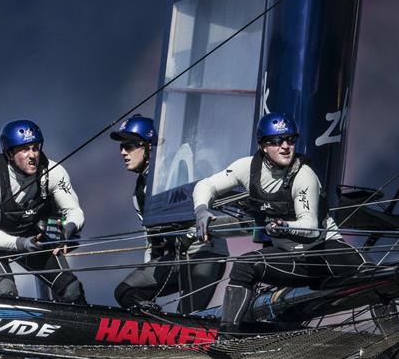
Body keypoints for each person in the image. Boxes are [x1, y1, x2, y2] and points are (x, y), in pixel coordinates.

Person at [193, 112, 366, 335]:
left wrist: (286, 226)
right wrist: (201, 211)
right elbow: (205, 186)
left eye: (290, 140)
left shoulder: (304, 175)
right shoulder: (246, 168)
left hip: (324, 252)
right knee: (244, 266)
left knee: (378, 276)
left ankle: (398, 350)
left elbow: (311, 227)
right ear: (263, 146)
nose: (285, 146)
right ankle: (227, 337)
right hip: (290, 258)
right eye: (276, 141)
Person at [110, 114, 228, 314]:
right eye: (121, 146)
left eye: (129, 146)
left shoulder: (177, 172)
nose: (123, 152)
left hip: (206, 254)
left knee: (188, 316)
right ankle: (153, 329)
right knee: (126, 292)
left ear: (149, 147)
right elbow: (152, 240)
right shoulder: (139, 193)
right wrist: (152, 264)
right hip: (176, 259)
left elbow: (211, 211)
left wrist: (189, 234)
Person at [0, 119, 87, 303]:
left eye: (35, 147)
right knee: (6, 294)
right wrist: (22, 243)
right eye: (24, 149)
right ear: (9, 153)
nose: (32, 155)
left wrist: (69, 227)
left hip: (28, 234)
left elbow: (74, 210)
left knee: (72, 291)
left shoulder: (54, 172)